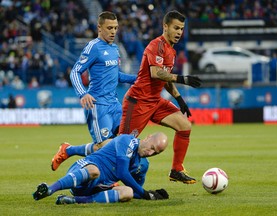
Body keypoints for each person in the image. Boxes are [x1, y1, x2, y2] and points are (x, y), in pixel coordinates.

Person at [118, 10, 202, 184]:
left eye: (181, 29)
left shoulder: (171, 50)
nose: (179, 32)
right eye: (176, 28)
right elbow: (156, 73)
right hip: (138, 101)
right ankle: (105, 178)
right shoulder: (156, 45)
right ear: (165, 26)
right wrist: (183, 79)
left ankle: (176, 170)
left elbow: (165, 78)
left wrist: (179, 99)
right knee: (122, 146)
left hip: (155, 101)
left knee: (184, 126)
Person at [51, 11, 136, 171]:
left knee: (125, 141)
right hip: (98, 105)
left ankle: (69, 150)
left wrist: (136, 78)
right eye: (109, 28)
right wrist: (83, 93)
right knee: (104, 146)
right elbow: (75, 71)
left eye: (116, 28)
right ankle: (72, 154)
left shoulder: (115, 48)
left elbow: (115, 75)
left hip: (115, 104)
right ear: (99, 27)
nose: (113, 31)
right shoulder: (93, 47)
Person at [33, 132, 169, 204]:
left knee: (127, 192)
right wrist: (146, 194)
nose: (151, 153)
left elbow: (135, 191)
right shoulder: (127, 141)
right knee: (94, 171)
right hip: (83, 171)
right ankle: (51, 189)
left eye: (155, 152)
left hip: (99, 188)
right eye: (152, 148)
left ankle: (74, 201)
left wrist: (153, 194)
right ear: (148, 137)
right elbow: (122, 173)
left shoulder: (143, 165)